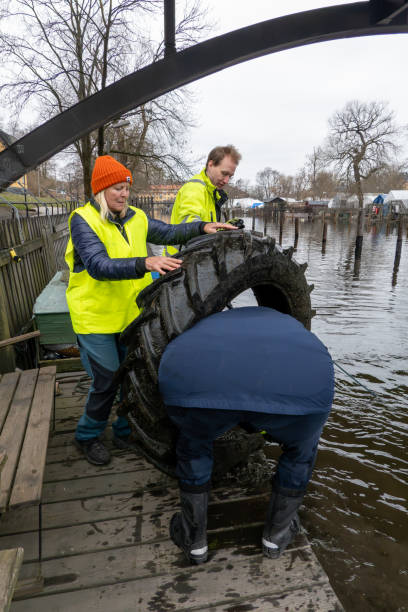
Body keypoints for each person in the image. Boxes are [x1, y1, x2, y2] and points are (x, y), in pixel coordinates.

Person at [65, 155, 236, 466]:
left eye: (126, 188)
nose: (123, 194)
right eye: (116, 188)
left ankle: (123, 430)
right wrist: (145, 263)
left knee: (134, 376)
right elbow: (98, 265)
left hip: (129, 316)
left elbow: (169, 233)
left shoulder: (135, 217)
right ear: (100, 191)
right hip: (95, 318)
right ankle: (87, 436)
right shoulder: (83, 220)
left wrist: (201, 226)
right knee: (107, 381)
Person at [158, 306, 334, 564]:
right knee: (301, 450)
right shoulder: (294, 330)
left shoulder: (207, 325)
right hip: (302, 396)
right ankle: (275, 538)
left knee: (193, 444)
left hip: (196, 389)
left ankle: (194, 541)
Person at [163, 145, 241, 257]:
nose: (226, 180)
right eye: (224, 173)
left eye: (230, 176)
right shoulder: (195, 188)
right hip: (180, 263)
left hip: (193, 260)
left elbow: (208, 227)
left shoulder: (211, 192)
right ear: (210, 164)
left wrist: (228, 227)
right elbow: (190, 223)